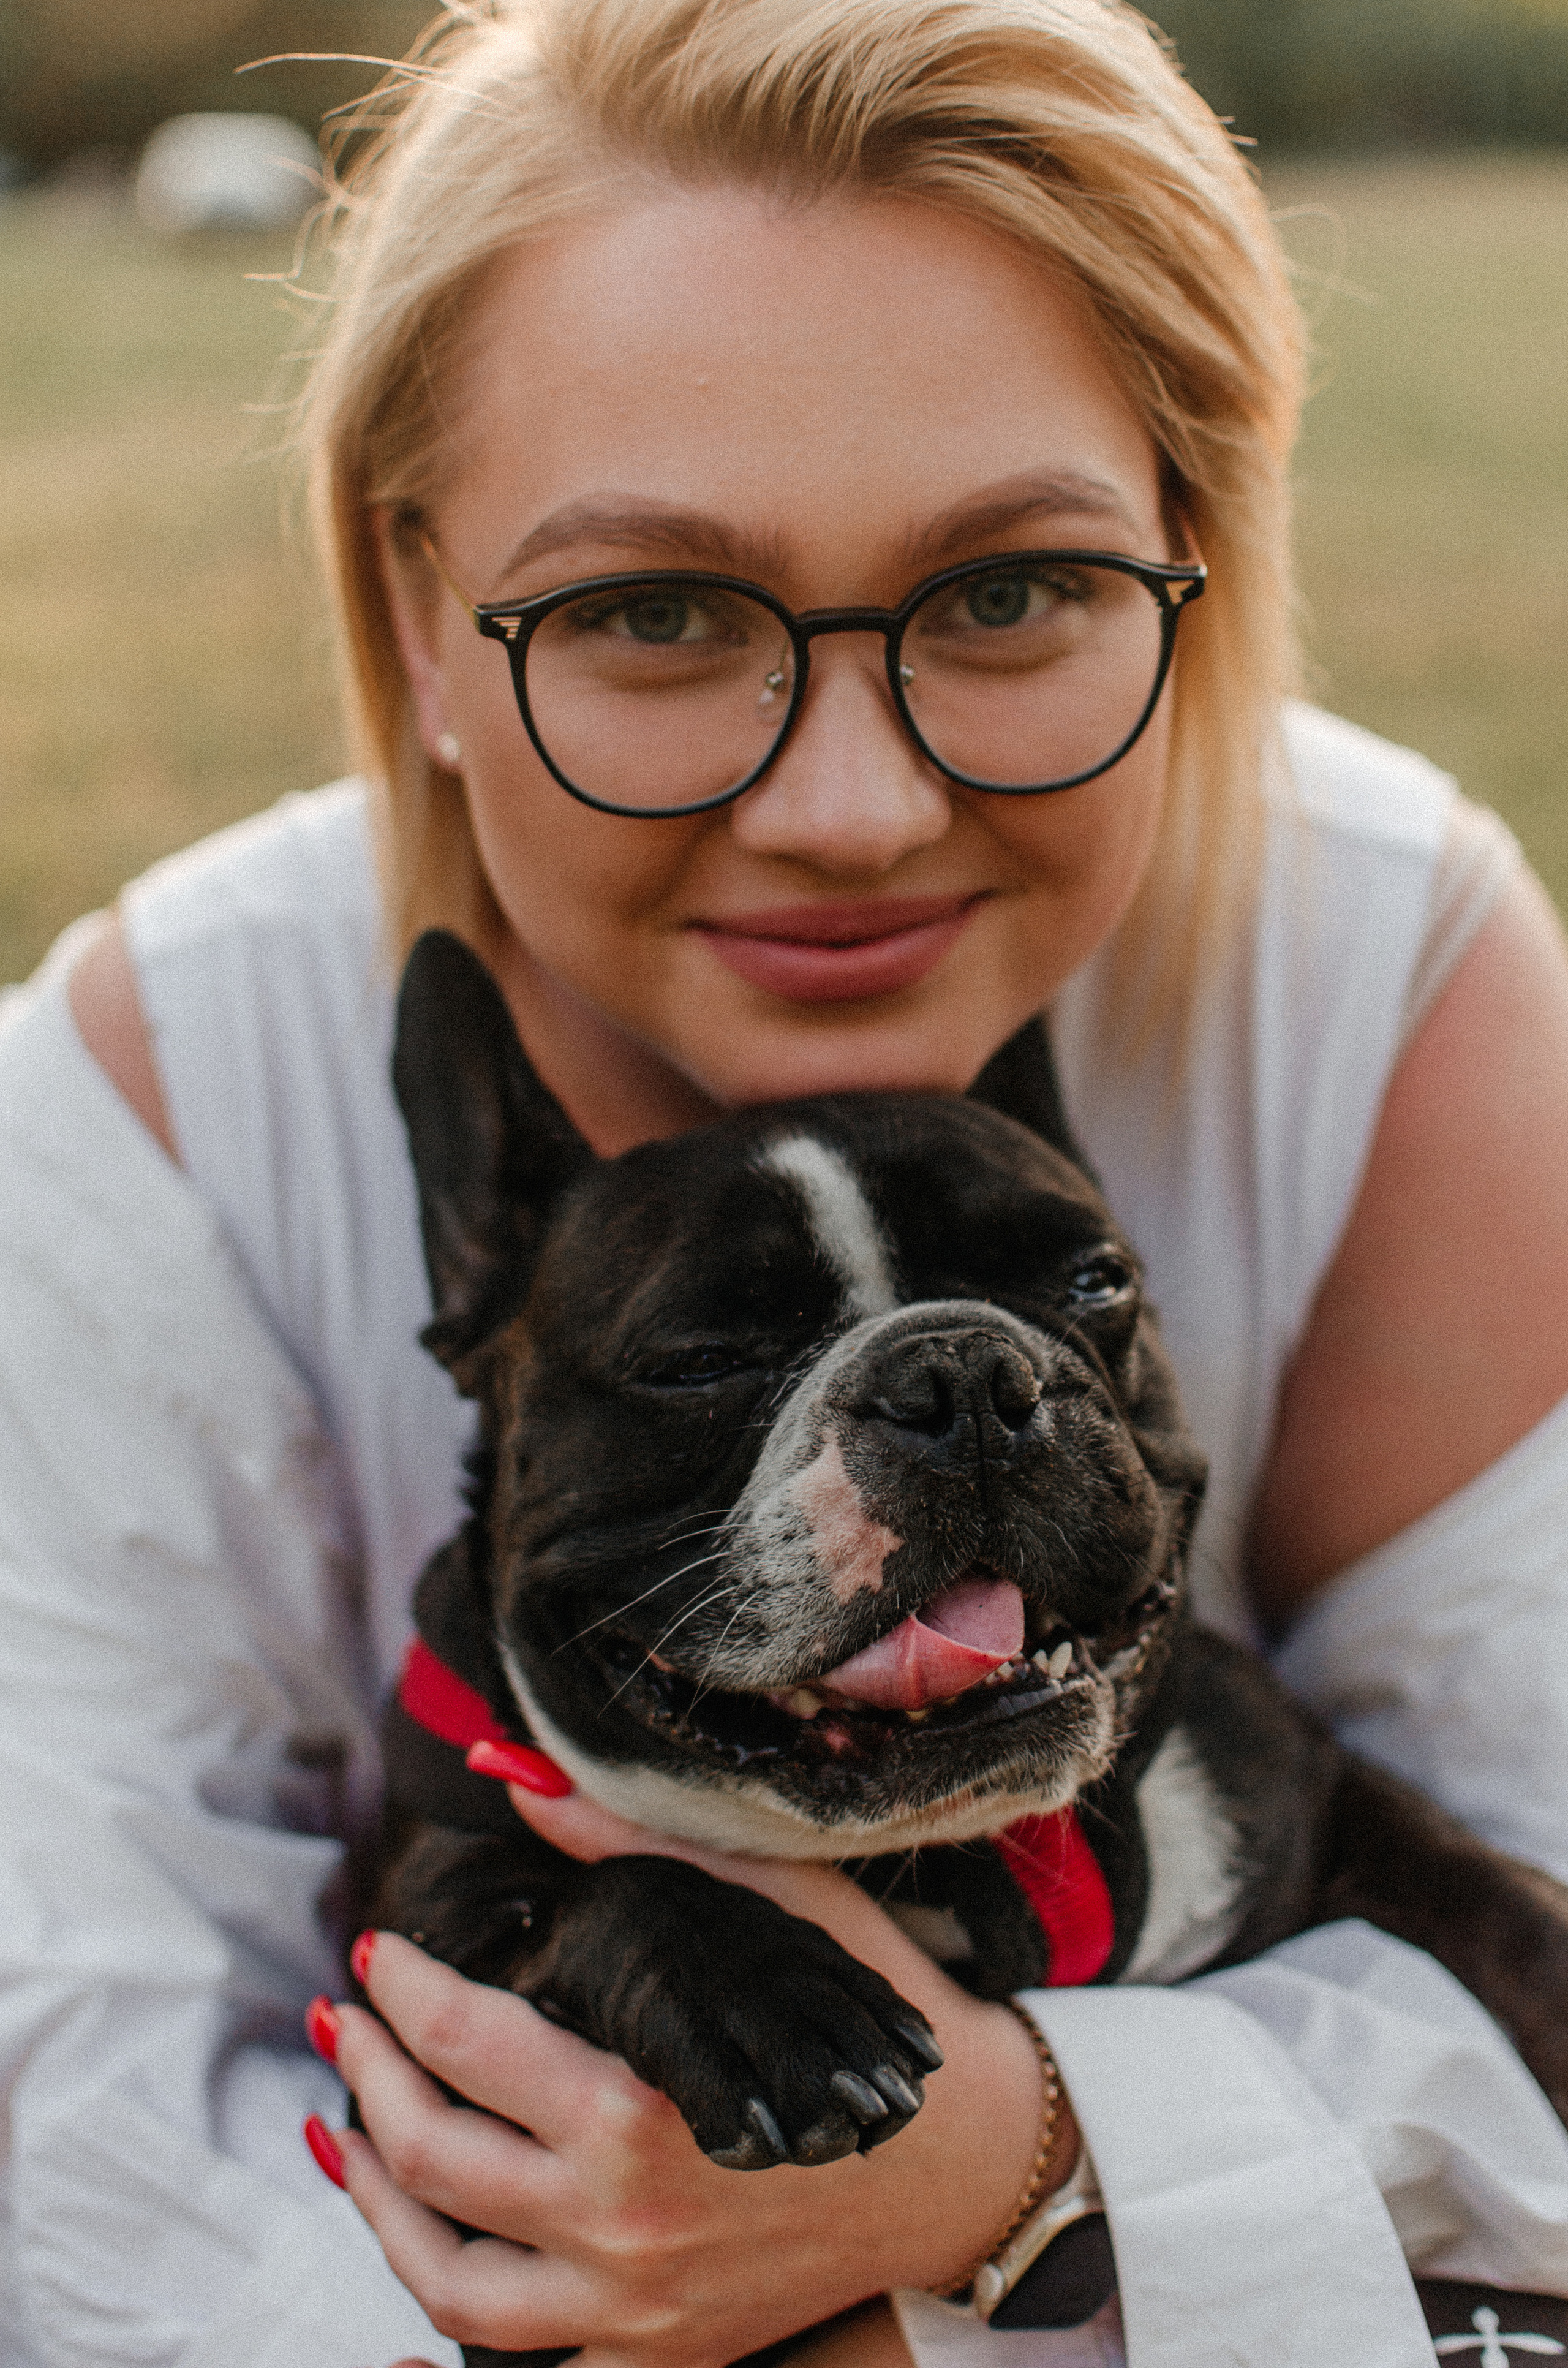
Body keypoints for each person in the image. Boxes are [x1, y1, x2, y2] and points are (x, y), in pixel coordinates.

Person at [4, 0, 1568, 2361]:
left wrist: (1031, 2156)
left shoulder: (1385, 978)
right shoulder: (155, 1107)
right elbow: (87, 2134)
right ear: (421, 616)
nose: (850, 805)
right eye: (654, 613)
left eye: (1008, 590)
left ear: (1198, 548)